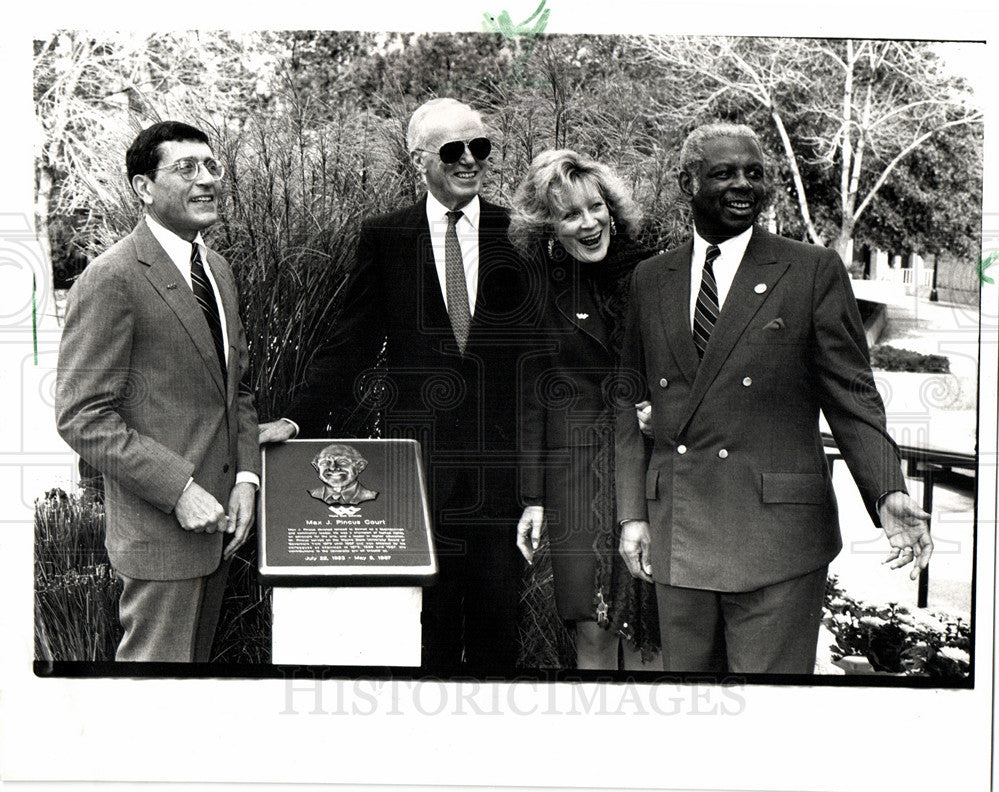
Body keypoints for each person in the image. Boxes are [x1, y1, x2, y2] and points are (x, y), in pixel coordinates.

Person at [615, 122, 932, 674]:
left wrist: (886, 488)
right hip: (677, 534)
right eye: (724, 173)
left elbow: (852, 394)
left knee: (771, 722)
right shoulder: (651, 278)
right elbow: (627, 401)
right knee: (694, 718)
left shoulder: (810, 270)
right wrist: (630, 515)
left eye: (754, 173)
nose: (744, 185)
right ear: (688, 182)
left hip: (777, 540)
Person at [258, 98, 534, 674]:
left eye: (479, 148)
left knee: (497, 625)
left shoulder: (521, 233)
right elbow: (350, 340)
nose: (469, 160)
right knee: (425, 625)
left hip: (504, 466)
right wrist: (298, 418)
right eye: (452, 150)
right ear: (418, 159)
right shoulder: (386, 238)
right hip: (419, 467)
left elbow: (546, 354)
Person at [55, 121, 261, 662]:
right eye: (186, 168)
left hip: (221, 528)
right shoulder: (112, 277)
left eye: (212, 166)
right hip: (161, 537)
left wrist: (245, 478)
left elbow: (235, 391)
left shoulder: (217, 270)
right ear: (143, 187)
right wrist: (180, 491)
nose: (207, 180)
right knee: (149, 699)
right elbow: (82, 417)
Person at [509, 150, 659, 670]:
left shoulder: (654, 274)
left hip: (652, 470)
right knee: (593, 634)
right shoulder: (537, 290)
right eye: (571, 214)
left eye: (596, 207)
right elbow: (531, 400)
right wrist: (532, 497)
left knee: (650, 639)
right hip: (576, 482)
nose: (590, 222)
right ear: (548, 227)